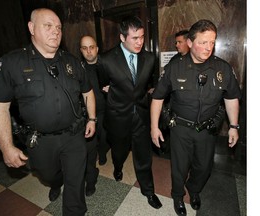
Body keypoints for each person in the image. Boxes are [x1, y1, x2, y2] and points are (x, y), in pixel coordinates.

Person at [0, 8, 96, 216]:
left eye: (58, 27)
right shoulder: (13, 63)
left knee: (75, 182)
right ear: (31, 28)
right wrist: (6, 147)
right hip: (40, 140)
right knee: (48, 174)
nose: (55, 31)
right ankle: (56, 181)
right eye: (48, 26)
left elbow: (87, 91)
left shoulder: (72, 61)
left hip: (74, 135)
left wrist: (91, 118)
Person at [150, 19, 241, 216]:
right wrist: (154, 127)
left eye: (212, 42)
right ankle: (177, 196)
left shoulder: (222, 69)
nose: (208, 48)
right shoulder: (175, 68)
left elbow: (232, 98)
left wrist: (233, 126)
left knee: (204, 168)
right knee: (179, 168)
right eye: (203, 42)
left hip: (207, 130)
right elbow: (157, 98)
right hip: (180, 129)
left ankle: (194, 190)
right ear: (190, 42)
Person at [97, 15, 162, 209]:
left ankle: (148, 191)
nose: (140, 42)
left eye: (142, 37)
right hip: (118, 116)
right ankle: (117, 167)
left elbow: (148, 84)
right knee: (119, 151)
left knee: (144, 156)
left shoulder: (150, 58)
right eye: (135, 38)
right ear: (122, 37)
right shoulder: (106, 59)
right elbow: (103, 84)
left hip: (141, 115)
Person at [79, 35, 109, 196]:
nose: (89, 51)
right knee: (90, 144)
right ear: (81, 51)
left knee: (104, 136)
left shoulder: (107, 65)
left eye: (92, 47)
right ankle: (91, 178)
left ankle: (103, 151)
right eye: (85, 48)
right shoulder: (78, 68)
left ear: (97, 48)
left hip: (106, 110)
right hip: (86, 114)